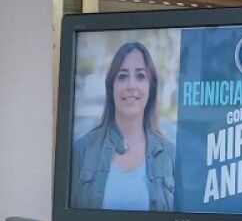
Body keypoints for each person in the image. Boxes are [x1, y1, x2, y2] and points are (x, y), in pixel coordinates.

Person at [70, 41, 179, 211]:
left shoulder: (171, 155)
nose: (131, 85)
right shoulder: (82, 150)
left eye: (140, 76)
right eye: (122, 76)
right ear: (111, 87)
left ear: (151, 87)